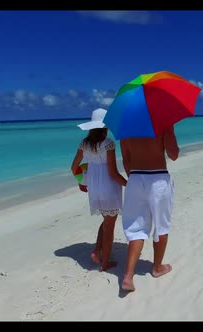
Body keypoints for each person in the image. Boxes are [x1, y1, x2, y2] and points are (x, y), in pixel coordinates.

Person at [119, 125, 179, 292]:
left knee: (136, 227)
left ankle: (128, 276)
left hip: (135, 179)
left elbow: (126, 160)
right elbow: (173, 155)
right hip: (157, 178)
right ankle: (157, 267)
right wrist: (169, 130)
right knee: (161, 225)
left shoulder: (126, 126)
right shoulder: (160, 124)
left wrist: (137, 180)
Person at [71, 108, 127, 271]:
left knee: (106, 221)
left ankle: (97, 251)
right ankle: (104, 262)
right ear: (105, 126)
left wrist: (82, 182)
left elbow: (74, 167)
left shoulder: (84, 144)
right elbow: (113, 173)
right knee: (110, 226)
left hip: (94, 187)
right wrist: (129, 185)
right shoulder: (108, 143)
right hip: (109, 187)